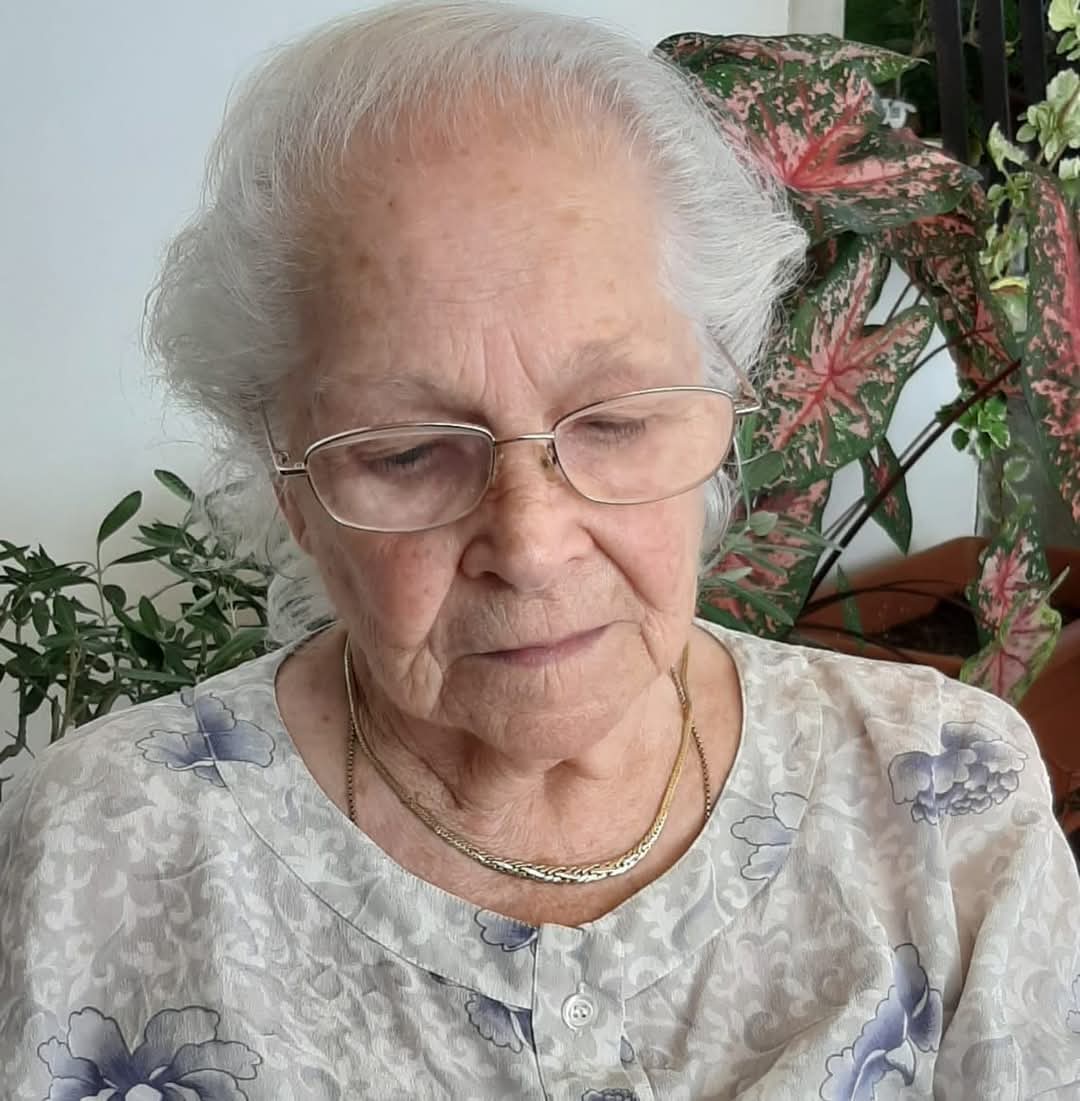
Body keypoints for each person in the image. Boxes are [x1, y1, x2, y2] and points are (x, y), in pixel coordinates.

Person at [2, 3, 1078, 1098]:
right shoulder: (100, 849)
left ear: (723, 410)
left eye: (615, 421)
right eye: (409, 452)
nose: (531, 543)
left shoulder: (946, 805)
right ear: (294, 492)